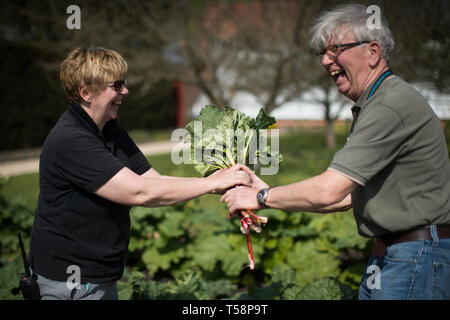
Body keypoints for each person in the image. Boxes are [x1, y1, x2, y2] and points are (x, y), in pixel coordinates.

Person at [221, 4, 450, 300]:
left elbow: (330, 190)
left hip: (414, 256)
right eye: (323, 53)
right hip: (392, 254)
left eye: (336, 49)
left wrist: (261, 198)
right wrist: (270, 192)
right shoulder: (376, 104)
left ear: (373, 52)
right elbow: (344, 198)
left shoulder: (389, 106)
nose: (326, 61)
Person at [28, 47, 254, 300]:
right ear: (86, 92)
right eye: (116, 85)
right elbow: (139, 192)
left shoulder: (109, 129)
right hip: (69, 280)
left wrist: (216, 183)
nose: (125, 91)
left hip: (99, 274)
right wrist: (213, 182)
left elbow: (151, 179)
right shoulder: (71, 140)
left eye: (124, 83)